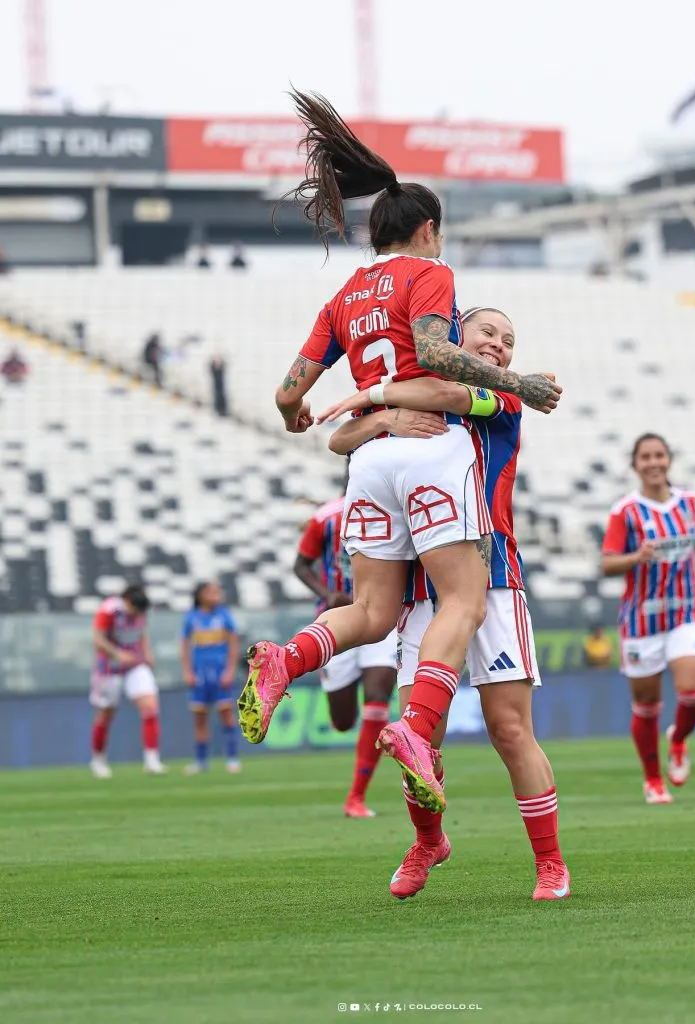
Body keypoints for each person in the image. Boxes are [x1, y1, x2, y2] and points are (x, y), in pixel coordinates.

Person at [237, 89, 561, 820]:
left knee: (372, 610)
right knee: (465, 598)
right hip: (429, 451)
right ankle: (415, 734)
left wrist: (304, 417)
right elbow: (437, 353)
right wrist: (519, 384)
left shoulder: (344, 296)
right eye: (438, 237)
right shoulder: (430, 274)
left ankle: (285, 660)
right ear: (426, 229)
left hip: (371, 462)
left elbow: (289, 392)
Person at [323, 307, 569, 902]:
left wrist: (380, 397)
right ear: (453, 338)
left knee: (509, 729)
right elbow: (338, 438)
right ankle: (427, 841)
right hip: (421, 587)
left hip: (496, 576)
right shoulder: (420, 393)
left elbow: (452, 397)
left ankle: (550, 863)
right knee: (418, 738)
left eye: (509, 341)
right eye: (488, 333)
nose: (500, 347)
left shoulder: (501, 397)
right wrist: (388, 418)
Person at [601, 433, 695, 804]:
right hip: (642, 619)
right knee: (646, 705)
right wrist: (635, 557)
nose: (654, 462)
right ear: (635, 464)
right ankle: (653, 779)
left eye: (659, 455)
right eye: (646, 457)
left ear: (668, 460)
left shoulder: (691, 504)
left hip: (687, 611)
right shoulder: (625, 511)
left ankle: (677, 739)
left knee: (693, 695)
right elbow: (607, 563)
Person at [295, 482, 397, 818]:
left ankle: (356, 797)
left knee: (378, 697)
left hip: (382, 618)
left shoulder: (393, 510)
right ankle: (348, 684)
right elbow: (301, 565)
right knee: (342, 720)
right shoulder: (325, 518)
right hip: (337, 621)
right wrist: (327, 594)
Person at [89, 583, 167, 778]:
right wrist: (117, 653)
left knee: (150, 707)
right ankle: (98, 760)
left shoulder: (140, 612)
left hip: (135, 664)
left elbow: (142, 634)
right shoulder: (109, 611)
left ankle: (152, 759)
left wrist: (148, 653)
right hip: (109, 668)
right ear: (126, 601)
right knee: (106, 715)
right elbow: (97, 639)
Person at [181, 581, 241, 774]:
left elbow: (233, 644)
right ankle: (201, 761)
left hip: (220, 672)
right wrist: (188, 671)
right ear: (200, 595)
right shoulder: (192, 618)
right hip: (200, 674)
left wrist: (230, 670)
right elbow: (184, 647)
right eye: (210, 591)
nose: (216, 594)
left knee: (226, 714)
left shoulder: (224, 616)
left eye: (217, 591)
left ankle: (232, 759)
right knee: (199, 717)